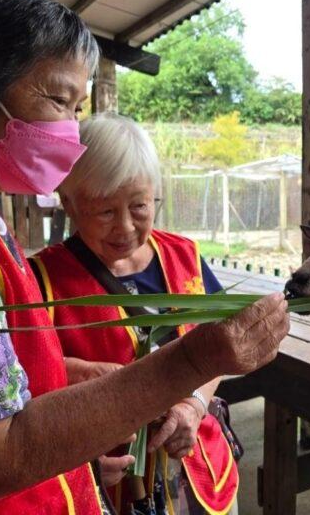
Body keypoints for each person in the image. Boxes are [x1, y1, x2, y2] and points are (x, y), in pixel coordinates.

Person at [0, 0, 289, 514]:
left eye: (79, 108)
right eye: (57, 98)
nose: (69, 131)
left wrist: (80, 377)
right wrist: (187, 362)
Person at [31, 113, 238, 515]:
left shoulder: (184, 256)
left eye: (140, 206)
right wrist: (78, 457)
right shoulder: (43, 282)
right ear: (68, 204)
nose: (125, 227)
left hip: (200, 463)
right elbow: (25, 379)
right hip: (105, 479)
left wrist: (194, 405)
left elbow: (220, 344)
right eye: (105, 212)